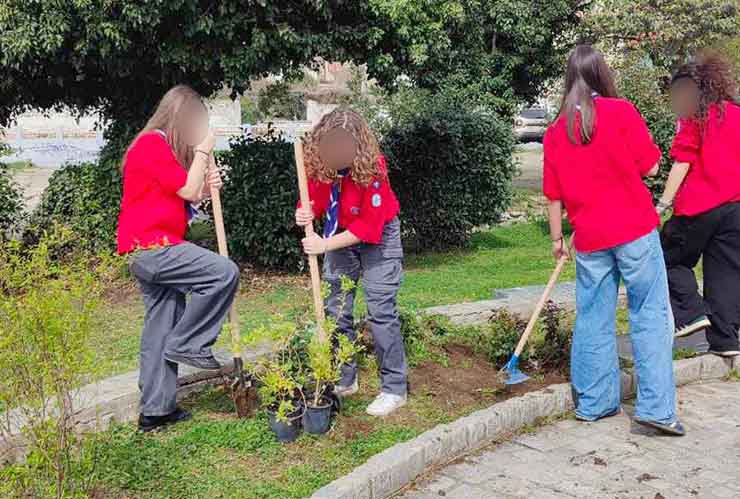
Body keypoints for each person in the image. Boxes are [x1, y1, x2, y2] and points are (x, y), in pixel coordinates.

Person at [543, 45, 684, 436]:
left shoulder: (555, 131)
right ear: (601, 74)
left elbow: (553, 195)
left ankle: (594, 403)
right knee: (650, 314)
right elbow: (651, 166)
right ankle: (656, 409)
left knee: (593, 318)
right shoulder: (621, 111)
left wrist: (557, 239)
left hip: (590, 238)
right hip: (634, 229)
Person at [117, 85, 240, 433]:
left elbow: (189, 193)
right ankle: (189, 342)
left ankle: (156, 411)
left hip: (149, 248)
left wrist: (209, 185)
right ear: (180, 118)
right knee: (223, 273)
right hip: (153, 246)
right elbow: (186, 189)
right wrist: (202, 152)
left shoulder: (162, 150)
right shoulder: (151, 143)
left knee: (162, 324)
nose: (197, 132)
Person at [295, 108, 408, 417]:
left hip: (379, 238)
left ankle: (394, 388)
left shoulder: (374, 167)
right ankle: (345, 379)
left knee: (380, 311)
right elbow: (314, 198)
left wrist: (324, 245)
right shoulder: (319, 162)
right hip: (339, 234)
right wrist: (305, 211)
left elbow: (368, 227)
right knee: (336, 310)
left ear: (359, 145)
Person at [658, 54, 740, 355]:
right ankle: (725, 340)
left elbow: (683, 161)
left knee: (665, 256)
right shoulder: (736, 114)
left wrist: (663, 203)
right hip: (735, 208)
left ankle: (690, 313)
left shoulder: (695, 117)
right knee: (726, 272)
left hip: (699, 205)